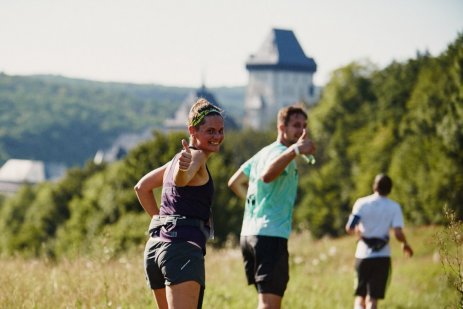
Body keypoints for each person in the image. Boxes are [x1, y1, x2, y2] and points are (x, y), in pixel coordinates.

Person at [134, 98, 224, 309]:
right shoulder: (196, 156)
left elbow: (141, 187)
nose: (217, 136)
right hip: (180, 252)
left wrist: (161, 221)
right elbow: (181, 180)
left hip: (155, 247)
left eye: (220, 130)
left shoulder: (176, 159)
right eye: (210, 131)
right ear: (192, 131)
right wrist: (184, 170)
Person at [228, 104, 316, 309]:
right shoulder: (281, 152)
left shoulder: (263, 152)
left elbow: (235, 182)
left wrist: (259, 205)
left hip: (250, 235)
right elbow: (267, 175)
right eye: (295, 125)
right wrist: (295, 150)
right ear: (281, 127)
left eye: (304, 126)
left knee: (266, 301)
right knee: (269, 304)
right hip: (270, 235)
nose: (301, 131)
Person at [345, 173, 414, 309]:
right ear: (390, 189)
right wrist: (405, 244)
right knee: (373, 299)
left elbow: (350, 227)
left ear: (374, 186)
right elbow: (398, 233)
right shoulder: (394, 207)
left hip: (363, 254)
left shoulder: (361, 203)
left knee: (360, 298)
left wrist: (358, 232)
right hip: (382, 256)